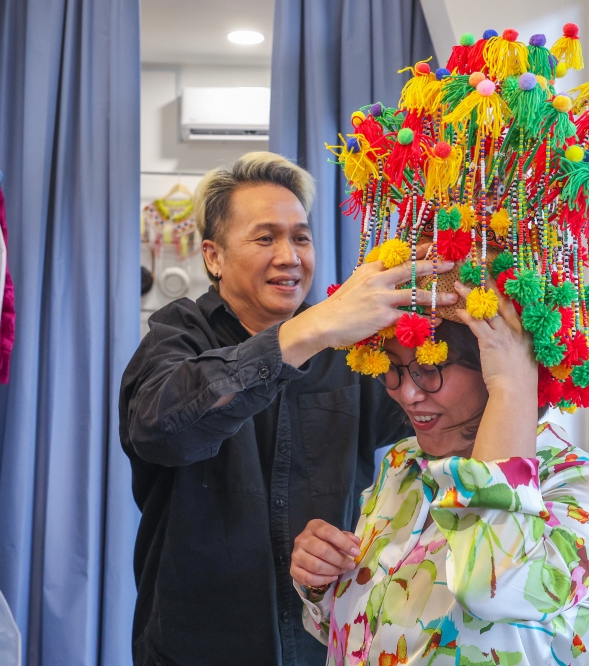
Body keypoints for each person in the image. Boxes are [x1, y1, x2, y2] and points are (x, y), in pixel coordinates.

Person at [119, 152, 459, 666]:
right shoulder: (178, 336)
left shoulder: (351, 349)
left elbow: (439, 411)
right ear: (213, 256)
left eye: (301, 237)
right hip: (200, 646)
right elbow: (163, 429)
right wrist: (307, 332)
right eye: (265, 238)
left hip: (325, 644)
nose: (289, 255)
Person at [289, 278, 589, 665]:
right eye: (395, 367)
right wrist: (321, 581)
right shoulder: (404, 462)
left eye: (430, 367)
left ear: (499, 363)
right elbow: (363, 634)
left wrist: (512, 386)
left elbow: (488, 587)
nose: (407, 393)